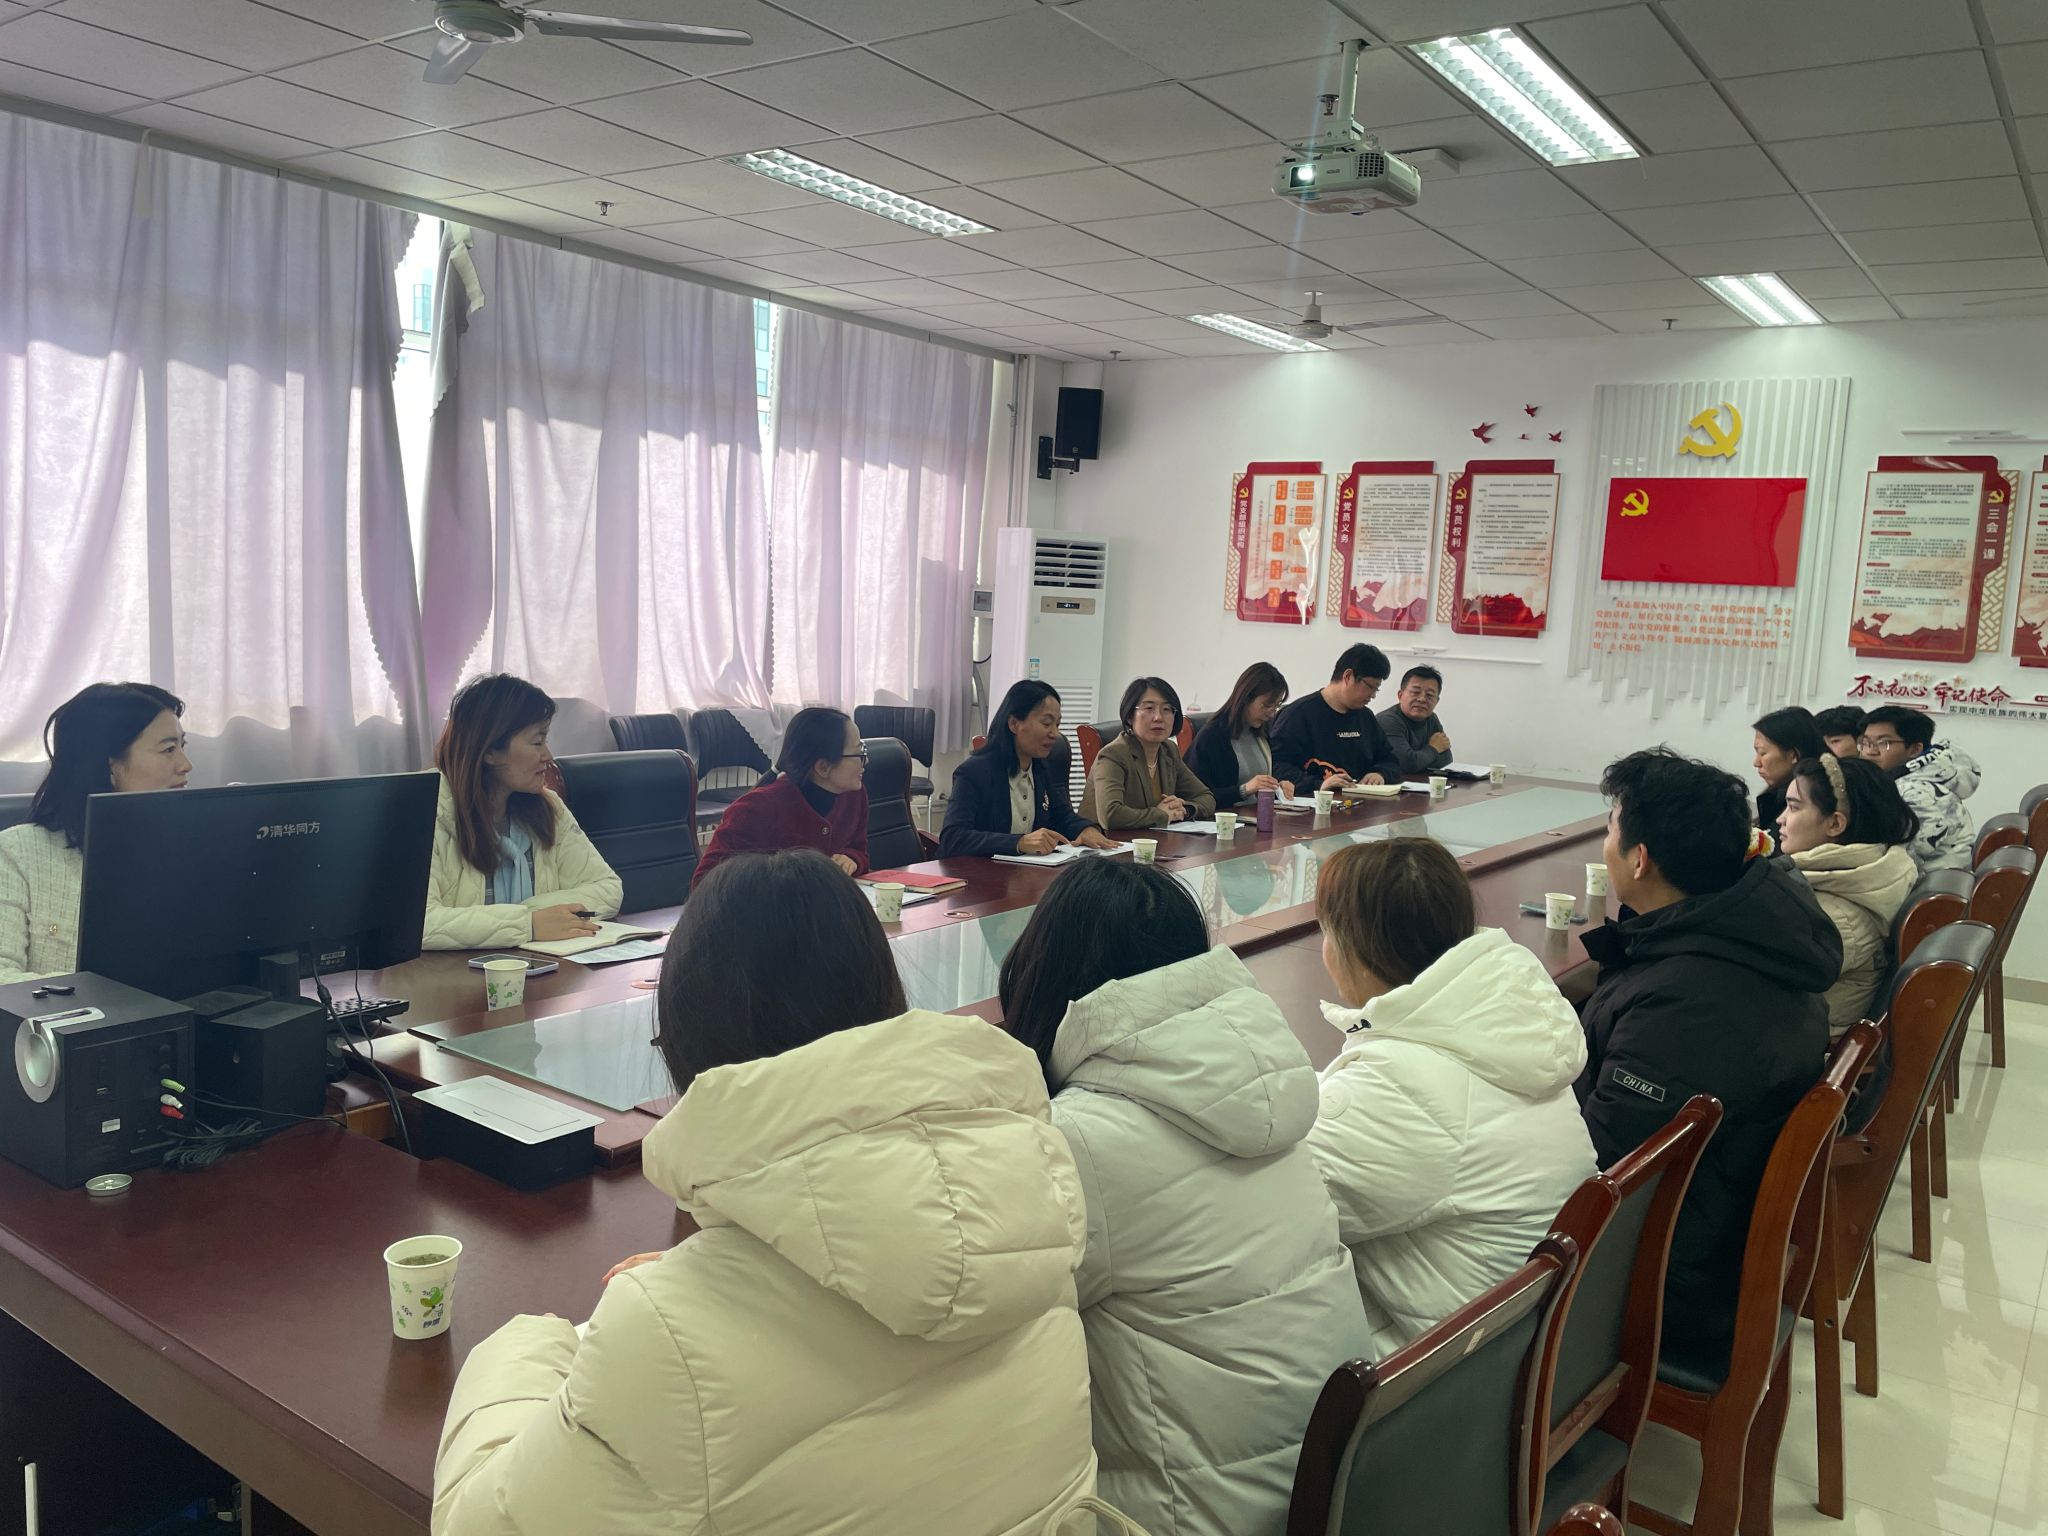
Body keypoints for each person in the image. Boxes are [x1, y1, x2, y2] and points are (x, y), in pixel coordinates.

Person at [433, 851, 1112, 1535]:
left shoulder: (667, 1335)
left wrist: (532, 1341)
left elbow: (472, 1525)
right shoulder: (1031, 1207)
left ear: (692, 1042)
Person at [997, 857, 1370, 1536]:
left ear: (1044, 973)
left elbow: (998, 1316)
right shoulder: (1266, 1086)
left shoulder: (1081, 1139)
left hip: (1194, 1514)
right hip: (1331, 1483)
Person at [1576, 748, 1838, 1379]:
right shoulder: (1749, 932)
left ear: (1640, 859)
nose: (1606, 845)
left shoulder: (1687, 1003)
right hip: (1709, 1223)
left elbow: (1601, 1167)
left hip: (1665, 1277)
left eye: (1610, 830)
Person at [1307, 839, 1596, 1357]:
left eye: (1326, 931)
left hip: (1459, 1372)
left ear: (1358, 950)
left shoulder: (1400, 1086)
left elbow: (1278, 1215)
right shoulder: (1503, 1028)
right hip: (1538, 1336)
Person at [0, 683, 190, 986]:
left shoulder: (191, 846)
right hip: (79, 1017)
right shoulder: (17, 853)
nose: (185, 765)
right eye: (168, 749)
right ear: (110, 765)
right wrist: (112, 992)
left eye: (182, 746)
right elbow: (3, 977)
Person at [423, 674, 622, 950]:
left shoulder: (548, 806)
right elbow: (420, 924)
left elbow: (608, 888)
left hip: (539, 966)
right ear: (491, 751)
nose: (548, 756)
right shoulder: (426, 810)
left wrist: (534, 917)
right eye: (537, 742)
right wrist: (528, 924)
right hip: (451, 973)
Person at [1776, 753, 1920, 1035]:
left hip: (1805, 1044)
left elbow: (1756, 982)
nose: (1781, 819)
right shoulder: (1865, 874)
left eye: (1793, 807)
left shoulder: (1838, 917)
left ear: (1835, 824)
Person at [694, 707, 871, 887]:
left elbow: (859, 849)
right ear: (823, 767)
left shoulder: (853, 795)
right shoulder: (755, 809)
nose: (866, 761)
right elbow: (704, 883)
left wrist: (852, 859)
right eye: (859, 754)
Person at [940, 680, 1118, 858]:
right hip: (978, 872)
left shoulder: (1041, 769)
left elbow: (1062, 816)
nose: (1055, 734)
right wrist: (1019, 843)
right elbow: (953, 838)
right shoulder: (974, 772)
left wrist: (1086, 829)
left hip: (1025, 871)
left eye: (1057, 725)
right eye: (1046, 723)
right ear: (1014, 724)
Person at [1080, 677, 1216, 830]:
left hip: (1154, 838)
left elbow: (1206, 797)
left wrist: (1183, 810)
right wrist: (1162, 815)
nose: (1158, 717)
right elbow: (1110, 815)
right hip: (1107, 841)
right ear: (1130, 716)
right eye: (1149, 708)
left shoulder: (1168, 751)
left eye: (1166, 709)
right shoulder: (1113, 755)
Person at [1858, 705, 1981, 873]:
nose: (1870, 751)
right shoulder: (1896, 781)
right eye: (1866, 743)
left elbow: (1901, 860)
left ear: (1915, 749)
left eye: (1884, 743)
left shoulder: (1921, 794)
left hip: (1928, 884)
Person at [1269, 642, 1400, 790]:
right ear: (1348, 676)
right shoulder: (1298, 715)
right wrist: (1319, 785)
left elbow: (1389, 760)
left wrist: (1380, 773)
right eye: (1371, 687)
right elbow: (1276, 766)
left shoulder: (1365, 717)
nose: (1373, 695)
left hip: (1359, 799)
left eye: (1377, 689)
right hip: (1313, 800)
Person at [1186, 661, 1292, 809]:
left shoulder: (1260, 733)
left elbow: (1260, 782)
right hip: (1225, 819)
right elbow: (1196, 796)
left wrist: (1277, 787)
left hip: (1257, 815)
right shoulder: (1211, 737)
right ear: (1246, 698)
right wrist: (1244, 790)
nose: (1271, 714)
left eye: (1276, 706)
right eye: (1267, 705)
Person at [1751, 706, 1827, 836]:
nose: (1756, 763)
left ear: (1793, 755)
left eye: (1762, 753)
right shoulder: (1774, 797)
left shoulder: (1815, 799)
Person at [1375, 665, 1453, 775]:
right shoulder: (1388, 720)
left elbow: (1446, 761)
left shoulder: (1431, 718)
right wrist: (1434, 748)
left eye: (1430, 695)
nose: (1422, 699)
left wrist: (1419, 758)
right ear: (1400, 695)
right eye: (1415, 692)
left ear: (1437, 701)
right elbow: (1406, 763)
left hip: (1419, 782)